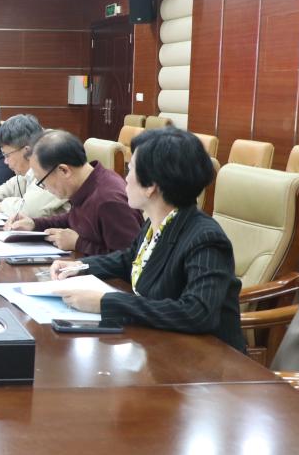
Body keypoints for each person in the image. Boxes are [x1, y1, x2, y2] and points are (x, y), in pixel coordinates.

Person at [51, 127, 245, 352]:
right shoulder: (157, 222)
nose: (125, 178)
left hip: (206, 360)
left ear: (151, 185)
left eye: (131, 169)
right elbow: (129, 259)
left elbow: (197, 312)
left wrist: (106, 302)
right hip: (161, 345)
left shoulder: (205, 238)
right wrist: (80, 266)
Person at [7, 129, 143, 255]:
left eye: (42, 181)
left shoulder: (109, 200)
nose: (44, 187)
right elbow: (73, 219)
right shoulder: (87, 185)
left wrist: (78, 244)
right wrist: (34, 224)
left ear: (64, 170)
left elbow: (130, 258)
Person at [0, 114, 68, 219]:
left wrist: (2, 206)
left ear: (27, 151)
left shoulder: (52, 163)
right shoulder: (31, 169)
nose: (5, 161)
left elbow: (30, 210)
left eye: (7, 155)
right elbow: (12, 186)